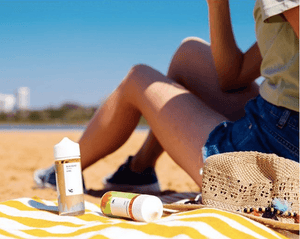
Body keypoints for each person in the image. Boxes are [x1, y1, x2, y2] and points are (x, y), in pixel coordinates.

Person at [34, 0, 299, 194]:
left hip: (279, 151)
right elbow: (232, 77)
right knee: (189, 56)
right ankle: (139, 169)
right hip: (283, 126)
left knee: (138, 79)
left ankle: (63, 172)